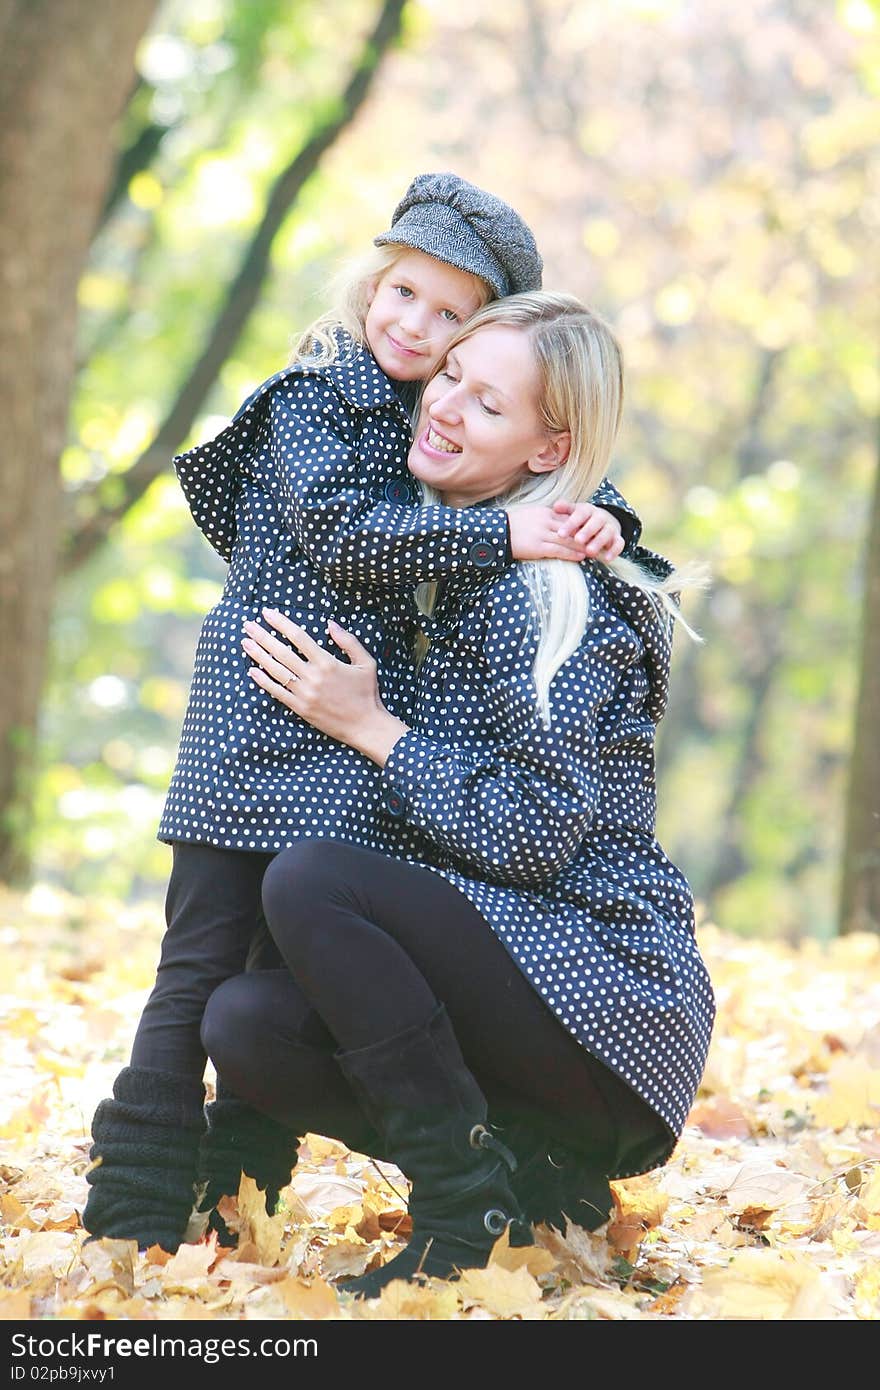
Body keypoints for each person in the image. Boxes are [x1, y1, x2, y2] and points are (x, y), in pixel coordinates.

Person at [81, 174, 642, 1253]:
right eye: (403, 294)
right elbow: (349, 537)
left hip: (341, 732)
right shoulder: (313, 395)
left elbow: (532, 453)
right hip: (253, 720)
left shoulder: (430, 409)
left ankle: (238, 1195)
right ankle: (134, 1203)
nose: (416, 329)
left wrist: (596, 521)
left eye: (449, 319)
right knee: (196, 962)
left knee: (279, 969)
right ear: (370, 280)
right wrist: (507, 540)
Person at [200, 291, 717, 1297]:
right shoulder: (447, 558)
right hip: (517, 985)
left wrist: (369, 724)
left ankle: (457, 1212)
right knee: (246, 1021)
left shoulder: (550, 596)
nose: (442, 408)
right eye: (448, 377)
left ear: (543, 448)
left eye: (487, 406)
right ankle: (530, 1182)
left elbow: (531, 834)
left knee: (314, 883)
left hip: (607, 991)